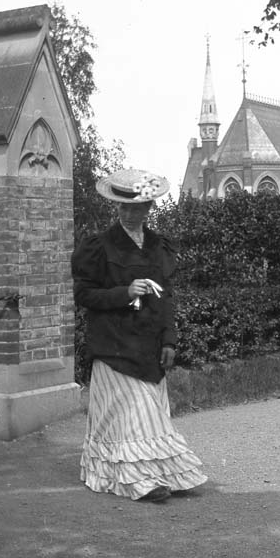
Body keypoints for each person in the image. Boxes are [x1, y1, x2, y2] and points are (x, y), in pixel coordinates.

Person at [72, 169, 207, 503]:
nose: (131, 213)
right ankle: (137, 480)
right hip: (115, 344)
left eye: (138, 207)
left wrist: (170, 339)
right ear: (117, 208)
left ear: (149, 208)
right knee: (131, 415)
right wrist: (124, 292)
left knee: (150, 416)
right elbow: (84, 295)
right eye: (124, 207)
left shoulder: (159, 247)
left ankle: (159, 474)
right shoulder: (99, 247)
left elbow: (166, 297)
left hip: (148, 342)